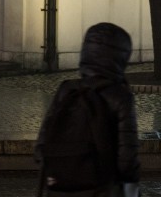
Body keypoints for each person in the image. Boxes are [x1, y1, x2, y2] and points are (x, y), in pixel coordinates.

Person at [36, 22, 140, 197]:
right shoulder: (120, 97)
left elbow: (41, 146)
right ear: (120, 57)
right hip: (101, 189)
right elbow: (127, 158)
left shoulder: (67, 90)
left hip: (59, 187)